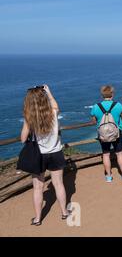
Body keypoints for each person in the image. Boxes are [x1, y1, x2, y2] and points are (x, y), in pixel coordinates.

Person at [20, 85, 70, 226]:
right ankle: (64, 213)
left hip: (39, 155)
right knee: (59, 184)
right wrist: (48, 93)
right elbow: (55, 105)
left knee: (38, 188)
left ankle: (37, 219)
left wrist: (28, 126)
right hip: (55, 152)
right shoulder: (53, 112)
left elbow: (23, 139)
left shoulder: (29, 118)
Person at [90, 85, 122, 182]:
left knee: (106, 154)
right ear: (112, 94)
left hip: (102, 133)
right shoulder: (118, 105)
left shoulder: (96, 107)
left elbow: (94, 121)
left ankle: (108, 176)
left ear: (102, 94)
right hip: (117, 132)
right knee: (119, 153)